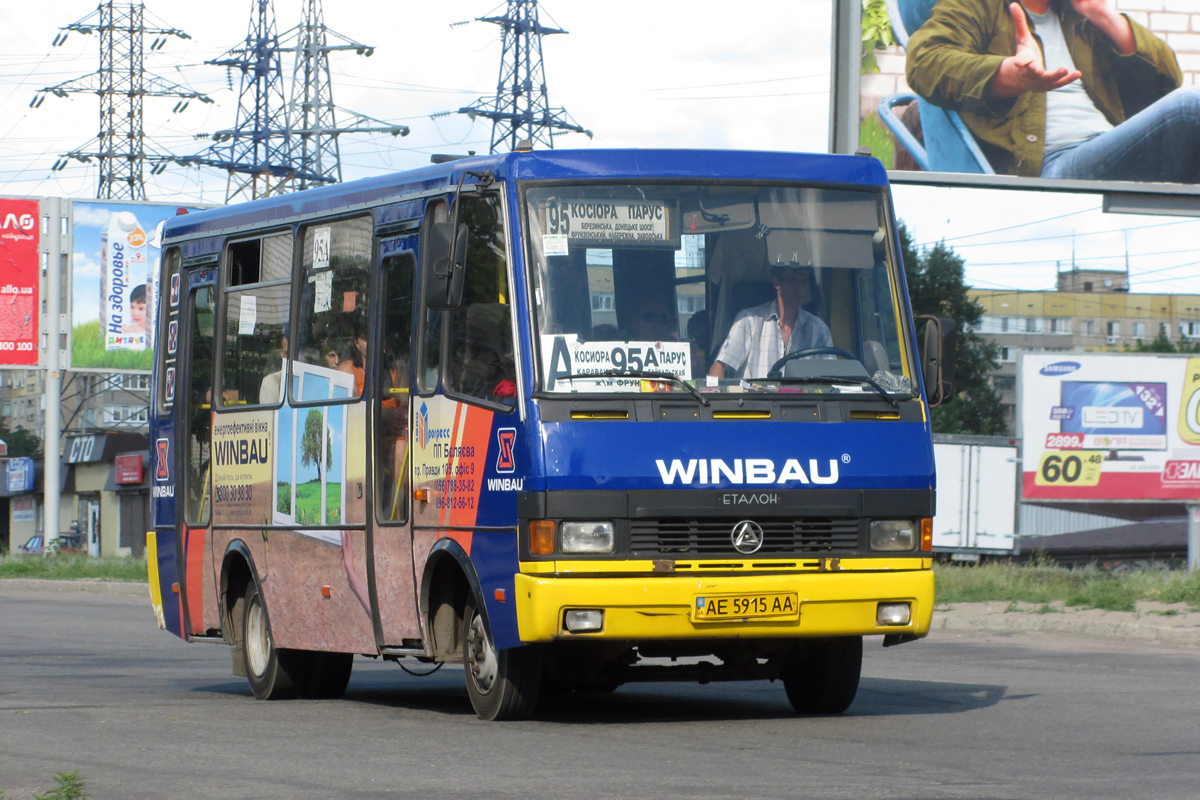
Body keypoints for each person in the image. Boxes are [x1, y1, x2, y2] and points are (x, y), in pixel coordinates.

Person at [905, 0, 1198, 182]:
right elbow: (923, 61)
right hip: (1049, 165)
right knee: (1188, 109)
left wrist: (1102, 14)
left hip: (1107, 147)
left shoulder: (1079, 16)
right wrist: (1008, 74)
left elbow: (1168, 83)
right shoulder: (978, 5)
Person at [709, 264, 833, 380]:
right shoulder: (749, 321)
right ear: (776, 283)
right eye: (793, 280)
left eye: (804, 282)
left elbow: (830, 378)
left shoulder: (818, 329)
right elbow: (717, 369)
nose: (799, 288)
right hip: (755, 402)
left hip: (803, 402)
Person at [339, 328, 367, 396]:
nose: (370, 343)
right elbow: (350, 403)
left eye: (373, 339)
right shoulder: (347, 368)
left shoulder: (392, 369)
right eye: (365, 339)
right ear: (356, 343)